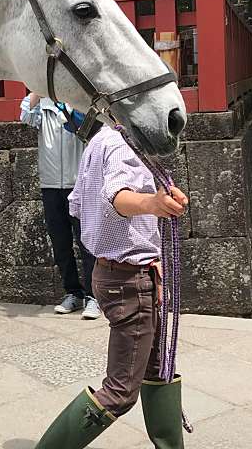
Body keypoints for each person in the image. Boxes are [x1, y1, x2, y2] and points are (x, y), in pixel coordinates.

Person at [34, 125, 189, 449]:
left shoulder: (99, 140)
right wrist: (152, 203)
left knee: (159, 369)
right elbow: (118, 196)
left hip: (115, 273)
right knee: (119, 392)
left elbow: (76, 205)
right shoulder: (122, 143)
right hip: (130, 280)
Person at [20, 92, 100, 319]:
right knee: (60, 243)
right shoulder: (43, 108)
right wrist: (37, 89)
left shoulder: (79, 104)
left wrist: (70, 107)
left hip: (78, 184)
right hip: (51, 183)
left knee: (86, 243)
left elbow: (88, 130)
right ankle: (72, 292)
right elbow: (24, 114)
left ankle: (94, 296)